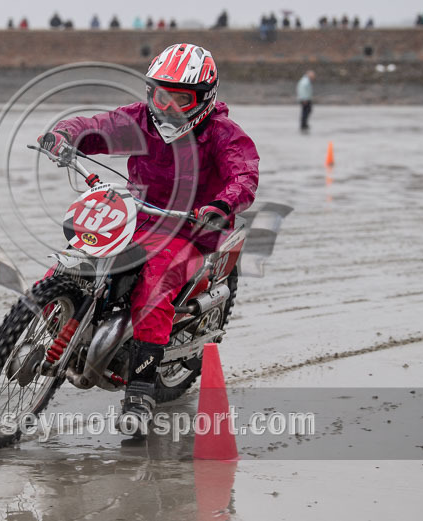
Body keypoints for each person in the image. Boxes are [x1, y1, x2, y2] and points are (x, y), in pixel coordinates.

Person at [36, 43, 259, 434]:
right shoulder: (139, 120)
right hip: (138, 214)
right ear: (149, 92)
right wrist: (63, 135)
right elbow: (97, 127)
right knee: (77, 252)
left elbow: (244, 174)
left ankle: (139, 392)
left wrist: (222, 204)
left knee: (155, 283)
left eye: (180, 98)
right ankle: (46, 322)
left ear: (204, 100)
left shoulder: (223, 134)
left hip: (191, 227)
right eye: (161, 94)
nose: (168, 106)